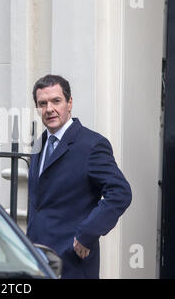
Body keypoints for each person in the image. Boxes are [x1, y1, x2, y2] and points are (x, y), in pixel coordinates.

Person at [26, 74, 132, 279]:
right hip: (38, 260)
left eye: (56, 101)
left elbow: (120, 192)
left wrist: (87, 234)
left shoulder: (91, 145)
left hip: (72, 262)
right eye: (43, 103)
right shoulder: (40, 144)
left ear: (69, 103)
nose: (49, 109)